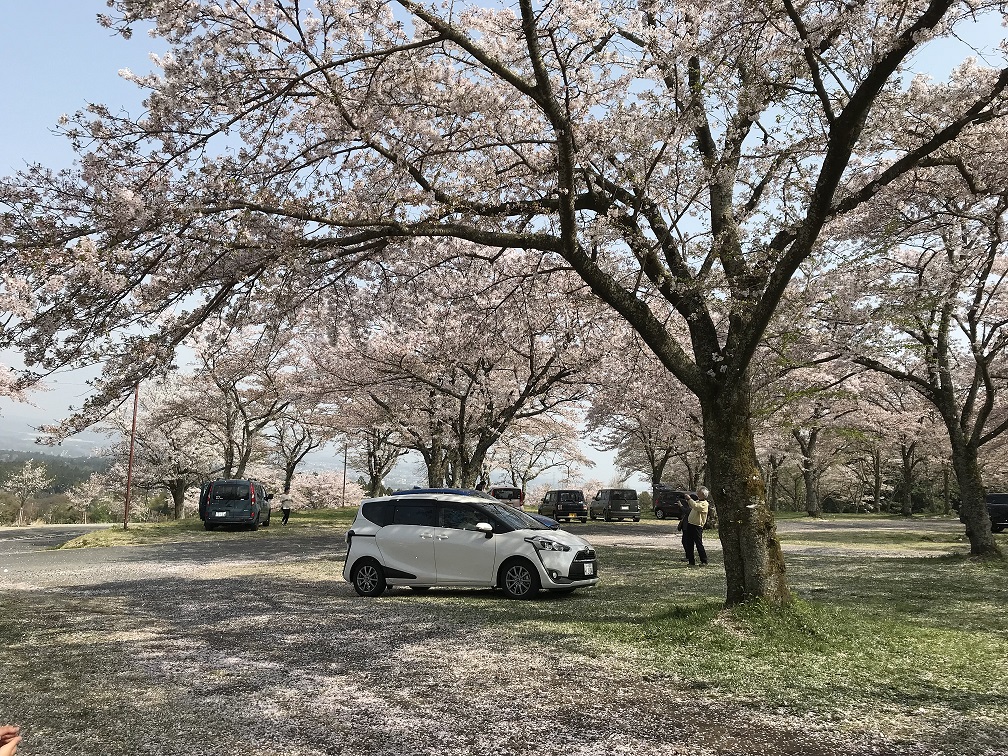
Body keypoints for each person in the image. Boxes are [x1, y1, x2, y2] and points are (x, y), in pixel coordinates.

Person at [683, 486, 710, 566]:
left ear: (702, 494)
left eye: (699, 492)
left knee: (698, 544)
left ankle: (704, 560)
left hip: (697, 526)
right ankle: (691, 561)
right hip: (690, 525)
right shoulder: (698, 501)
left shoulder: (704, 504)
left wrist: (689, 499)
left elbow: (695, 506)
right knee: (689, 543)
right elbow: (693, 505)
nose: (697, 493)